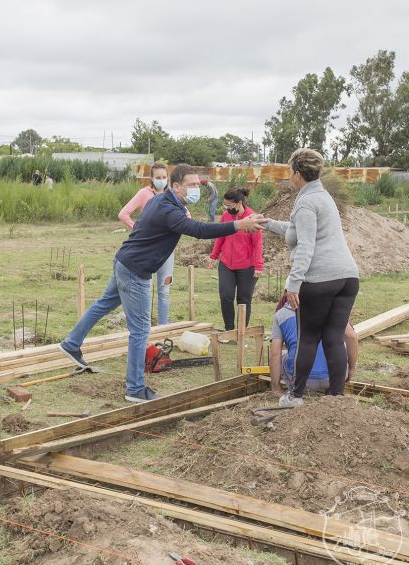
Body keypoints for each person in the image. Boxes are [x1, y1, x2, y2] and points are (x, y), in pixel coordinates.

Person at [60, 164, 267, 402]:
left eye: (197, 184)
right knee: (140, 330)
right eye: (191, 185)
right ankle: (135, 389)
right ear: (176, 186)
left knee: (103, 304)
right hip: (135, 271)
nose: (196, 189)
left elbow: (191, 224)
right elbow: (198, 230)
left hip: (124, 261)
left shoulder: (162, 201)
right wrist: (239, 225)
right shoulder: (169, 209)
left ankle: (71, 343)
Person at [263, 147, 359, 408]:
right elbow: (297, 230)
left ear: (297, 174)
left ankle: (294, 396)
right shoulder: (323, 197)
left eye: (289, 172)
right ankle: (336, 397)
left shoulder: (305, 202)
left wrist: (293, 284)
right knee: (333, 337)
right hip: (347, 278)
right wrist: (268, 223)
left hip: (320, 279)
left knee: (308, 337)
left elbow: (306, 245)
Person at [118, 162, 175, 324]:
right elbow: (123, 214)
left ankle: (163, 327)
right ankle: (144, 326)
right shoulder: (144, 194)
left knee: (164, 290)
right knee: (145, 290)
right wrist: (137, 229)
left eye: (164, 177)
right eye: (158, 177)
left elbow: (186, 216)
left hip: (166, 250)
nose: (161, 180)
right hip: (147, 249)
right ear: (151, 178)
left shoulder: (172, 195)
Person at [269, 293, 358, 396]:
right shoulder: (332, 308)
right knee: (341, 347)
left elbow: (274, 353)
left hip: (303, 381)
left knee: (282, 354)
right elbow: (352, 337)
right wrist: (351, 369)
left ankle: (295, 391)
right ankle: (332, 390)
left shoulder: (281, 315)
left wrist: (275, 389)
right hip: (334, 378)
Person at [208, 187, 263, 332]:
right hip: (226, 264)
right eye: (225, 205)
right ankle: (229, 330)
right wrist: (213, 256)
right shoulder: (226, 216)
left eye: (229, 205)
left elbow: (257, 244)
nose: (227, 208)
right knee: (226, 296)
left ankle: (241, 332)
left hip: (247, 266)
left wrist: (258, 266)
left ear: (239, 203)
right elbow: (221, 236)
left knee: (243, 300)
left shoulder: (252, 218)